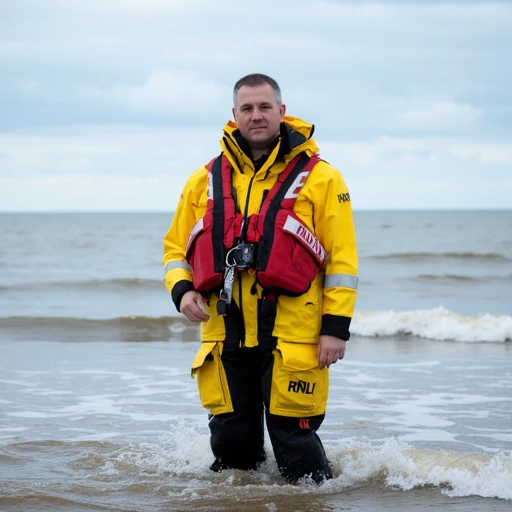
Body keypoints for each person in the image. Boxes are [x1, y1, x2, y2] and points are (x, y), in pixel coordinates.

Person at [163, 73, 358, 484]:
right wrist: (181, 292)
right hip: (224, 333)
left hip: (294, 336)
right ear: (234, 116)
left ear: (281, 112)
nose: (256, 116)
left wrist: (335, 329)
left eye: (265, 107)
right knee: (232, 451)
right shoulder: (203, 179)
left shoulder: (324, 178)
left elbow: (342, 260)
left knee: (297, 451)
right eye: (247, 108)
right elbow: (174, 250)